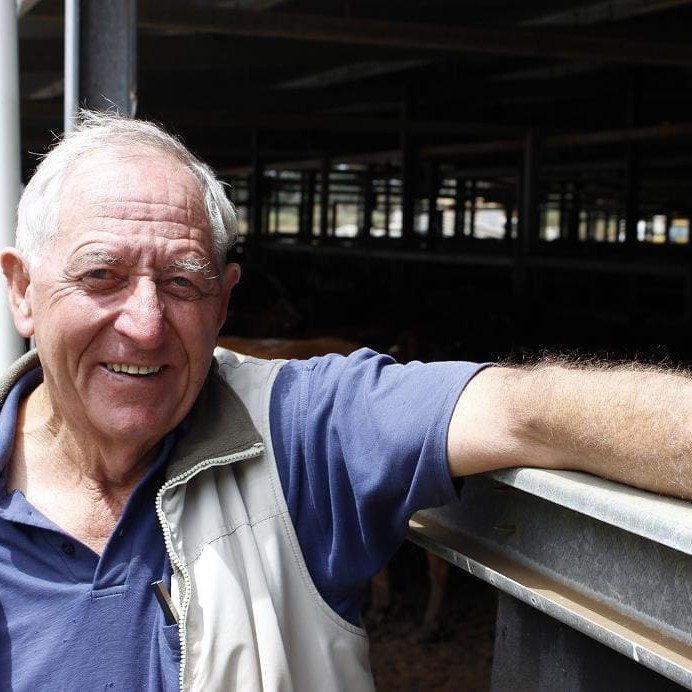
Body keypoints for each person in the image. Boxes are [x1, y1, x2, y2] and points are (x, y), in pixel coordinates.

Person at [0, 111, 690, 691]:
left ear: (225, 301)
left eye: (183, 282)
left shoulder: (303, 431)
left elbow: (527, 409)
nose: (146, 324)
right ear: (22, 290)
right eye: (102, 275)